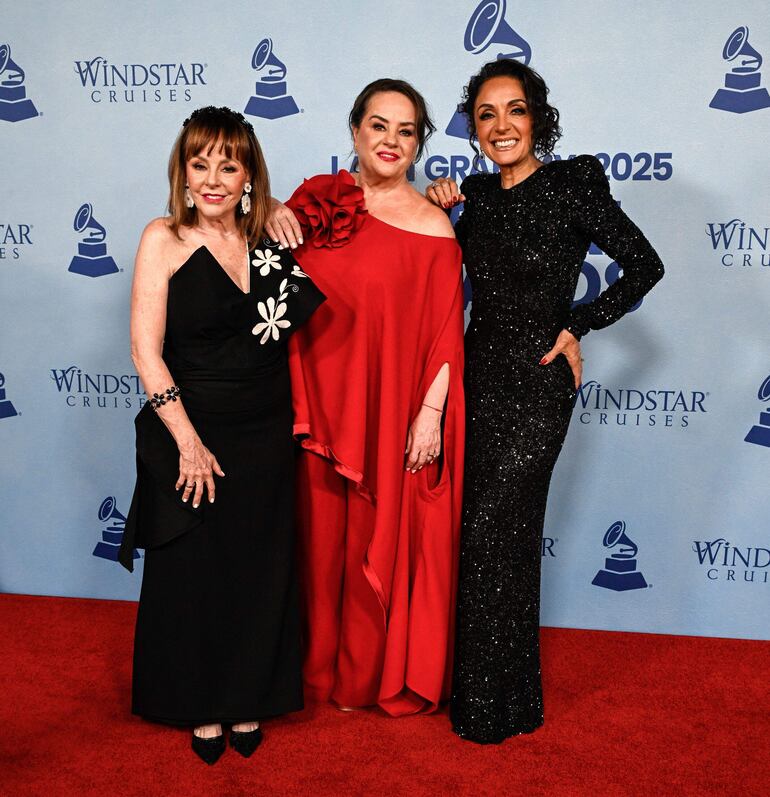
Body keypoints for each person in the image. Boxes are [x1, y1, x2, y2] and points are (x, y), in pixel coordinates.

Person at [426, 60, 665, 744]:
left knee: (495, 529)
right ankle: (499, 697)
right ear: (473, 127)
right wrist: (437, 205)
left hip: (537, 383)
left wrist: (578, 324)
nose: (502, 125)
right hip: (479, 377)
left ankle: (493, 705)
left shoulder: (571, 185)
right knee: (486, 538)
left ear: (538, 118)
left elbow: (644, 263)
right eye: (487, 114)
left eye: (516, 110)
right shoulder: (472, 197)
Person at [118, 106, 324, 763]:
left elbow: (349, 222)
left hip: (265, 427)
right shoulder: (163, 238)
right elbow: (147, 353)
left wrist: (283, 204)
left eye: (227, 165)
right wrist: (186, 439)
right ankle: (199, 702)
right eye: (199, 163)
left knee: (257, 569)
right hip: (191, 427)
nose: (212, 178)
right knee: (195, 572)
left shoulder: (267, 235)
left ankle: (245, 696)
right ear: (182, 171)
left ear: (247, 174)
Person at [267, 79, 465, 715]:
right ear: (354, 131)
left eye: (406, 131)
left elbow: (442, 335)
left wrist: (429, 416)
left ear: (419, 145)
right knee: (311, 548)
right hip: (308, 410)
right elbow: (252, 265)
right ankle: (306, 674)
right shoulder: (312, 201)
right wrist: (261, 203)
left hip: (385, 415)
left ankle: (360, 674)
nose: (391, 141)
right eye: (379, 125)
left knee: (362, 551)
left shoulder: (435, 226)